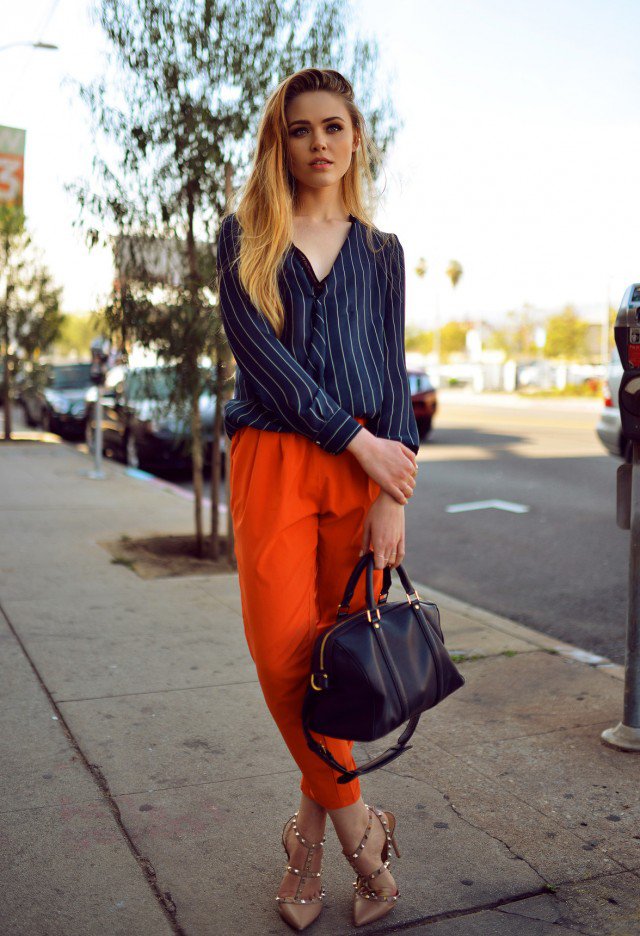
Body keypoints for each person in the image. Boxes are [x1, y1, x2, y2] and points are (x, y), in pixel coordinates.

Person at [217, 66, 420, 931]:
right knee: (281, 658)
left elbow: (397, 372)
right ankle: (359, 831)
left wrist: (393, 487)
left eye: (333, 127)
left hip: (367, 474)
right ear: (280, 141)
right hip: (275, 460)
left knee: (335, 664)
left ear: (355, 137)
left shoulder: (382, 251)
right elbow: (265, 363)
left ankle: (304, 849)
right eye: (301, 129)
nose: (319, 144)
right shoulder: (243, 237)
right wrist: (361, 442)